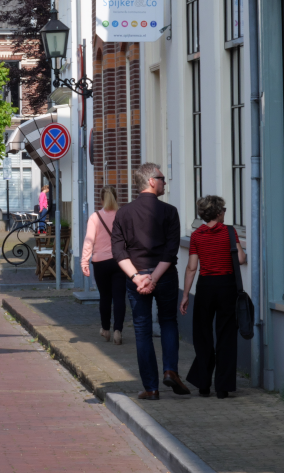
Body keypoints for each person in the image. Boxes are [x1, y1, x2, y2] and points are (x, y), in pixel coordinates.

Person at [110, 162, 186, 400]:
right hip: (163, 276)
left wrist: (137, 277)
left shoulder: (123, 213)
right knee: (168, 322)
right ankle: (170, 369)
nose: (165, 182)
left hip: (137, 277)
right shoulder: (170, 212)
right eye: (162, 178)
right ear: (151, 181)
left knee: (142, 330)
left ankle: (151, 388)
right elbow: (171, 252)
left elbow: (118, 251)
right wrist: (153, 277)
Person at [181, 195, 246, 399]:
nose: (225, 212)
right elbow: (241, 259)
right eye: (224, 210)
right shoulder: (229, 231)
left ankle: (203, 384)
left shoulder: (197, 235)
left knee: (203, 335)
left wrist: (185, 295)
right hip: (227, 286)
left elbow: (192, 268)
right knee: (226, 335)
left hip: (205, 287)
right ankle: (223, 387)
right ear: (218, 213)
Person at [81, 185, 126, 345]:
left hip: (100, 263)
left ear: (101, 199)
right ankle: (118, 331)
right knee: (120, 297)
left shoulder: (95, 217)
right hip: (120, 262)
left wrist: (84, 261)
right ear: (116, 197)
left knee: (105, 297)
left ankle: (105, 329)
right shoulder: (122, 215)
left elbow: (89, 241)